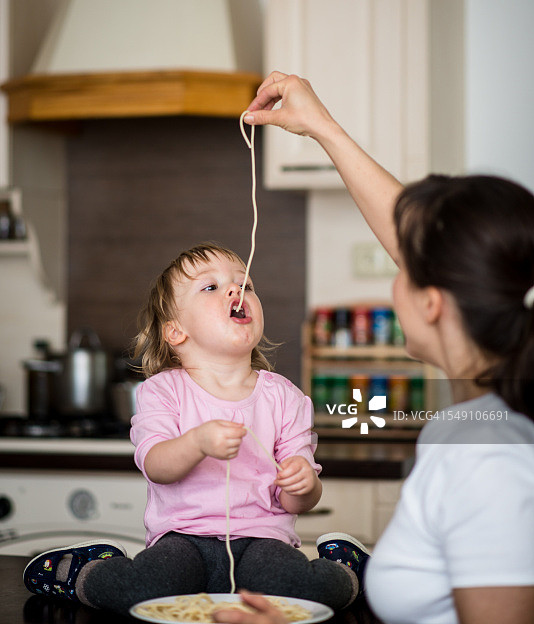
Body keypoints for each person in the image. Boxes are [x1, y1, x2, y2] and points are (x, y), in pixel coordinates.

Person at [227, 71, 534, 624]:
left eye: (402, 266)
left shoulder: (487, 459)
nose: (394, 273)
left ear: (432, 303)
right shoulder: (471, 426)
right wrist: (323, 128)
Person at [23, 242, 363, 615]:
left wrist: (304, 485)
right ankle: (81, 572)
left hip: (262, 541)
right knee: (144, 590)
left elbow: (297, 501)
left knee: (302, 592)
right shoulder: (162, 392)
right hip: (183, 540)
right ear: (176, 331)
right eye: (211, 286)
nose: (235, 291)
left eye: (245, 285)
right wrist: (198, 442)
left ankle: (350, 570)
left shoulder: (286, 397)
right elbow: (156, 465)